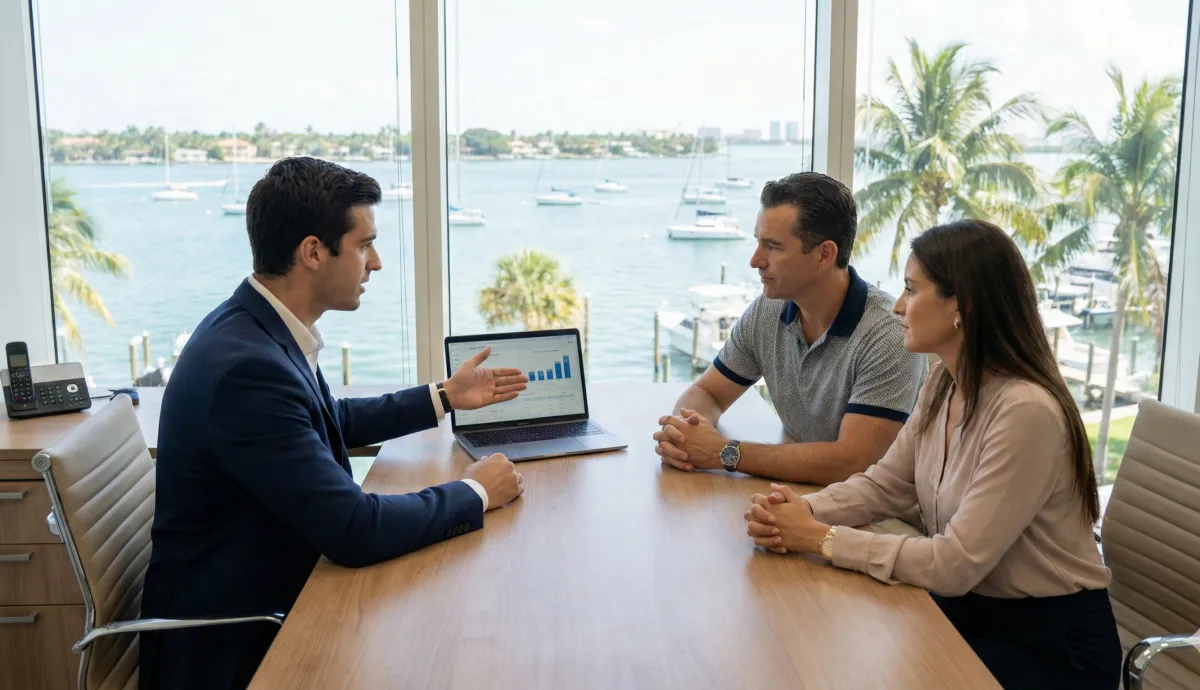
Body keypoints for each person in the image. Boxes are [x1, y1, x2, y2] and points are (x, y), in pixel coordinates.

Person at [140, 158, 527, 690]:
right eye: (365, 244)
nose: (377, 263)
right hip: (235, 644)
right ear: (314, 252)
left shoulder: (258, 326)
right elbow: (354, 530)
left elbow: (325, 419)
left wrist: (443, 396)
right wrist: (474, 492)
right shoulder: (246, 369)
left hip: (279, 591)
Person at [743, 219, 1120, 689]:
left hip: (1048, 646)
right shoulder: (945, 379)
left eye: (911, 290)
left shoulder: (1026, 412)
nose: (898, 306)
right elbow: (888, 484)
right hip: (975, 610)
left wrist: (822, 538)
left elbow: (954, 563)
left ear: (961, 306)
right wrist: (801, 510)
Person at [654, 172, 927, 486]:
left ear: (824, 254)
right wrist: (683, 434)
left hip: (871, 512)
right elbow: (709, 392)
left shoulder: (886, 335)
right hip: (797, 493)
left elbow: (853, 462)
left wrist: (724, 453)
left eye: (773, 247)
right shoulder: (767, 310)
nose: (756, 260)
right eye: (758, 242)